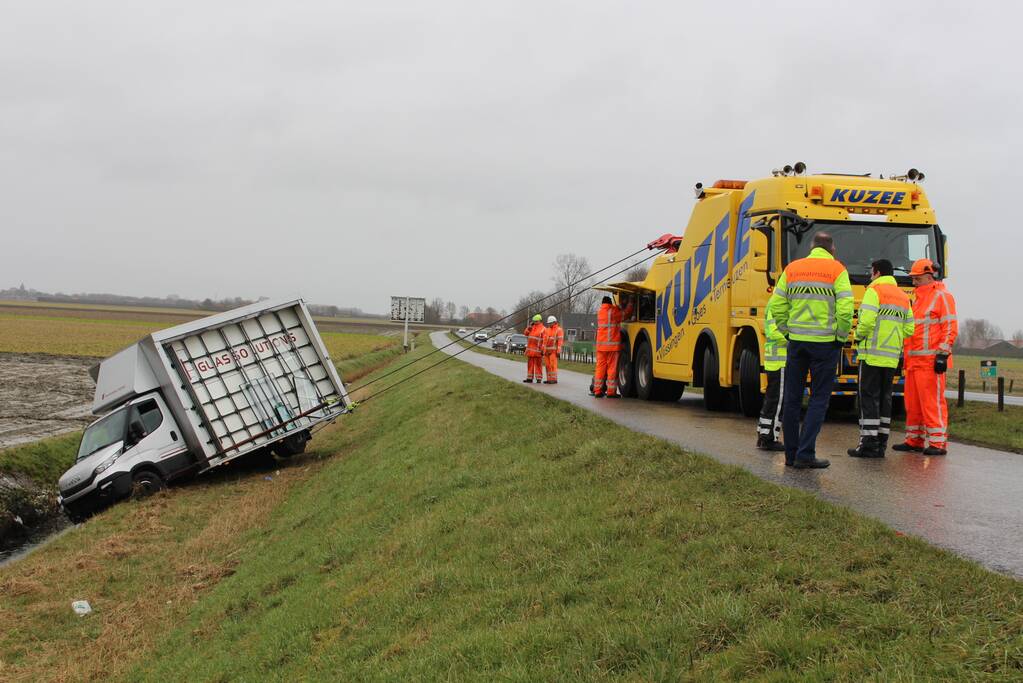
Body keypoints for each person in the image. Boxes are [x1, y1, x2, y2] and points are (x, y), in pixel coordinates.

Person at [767, 232, 853, 468]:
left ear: (812, 247)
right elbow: (845, 310)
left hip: (796, 342)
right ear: (832, 249)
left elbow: (777, 305)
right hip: (825, 344)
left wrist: (787, 331)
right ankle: (806, 454)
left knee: (792, 399)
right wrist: (840, 336)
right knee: (818, 400)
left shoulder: (793, 268)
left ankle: (791, 455)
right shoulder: (837, 271)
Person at [848, 259, 915, 458]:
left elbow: (867, 322)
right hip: (892, 357)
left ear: (876, 272)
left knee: (868, 398)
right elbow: (910, 328)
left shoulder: (873, 291)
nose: (870, 276)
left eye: (871, 272)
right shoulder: (903, 296)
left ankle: (867, 444)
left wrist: (857, 336)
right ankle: (881, 445)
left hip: (871, 355)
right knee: (885, 399)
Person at [893, 258, 958, 455]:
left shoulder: (942, 297)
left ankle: (938, 443)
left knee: (932, 404)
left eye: (917, 278)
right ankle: (914, 440)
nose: (914, 282)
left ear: (929, 276)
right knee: (913, 405)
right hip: (914, 363)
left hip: (930, 363)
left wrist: (942, 355)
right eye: (913, 278)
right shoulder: (919, 299)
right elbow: (913, 332)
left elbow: (950, 328)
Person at [756, 308, 787, 451]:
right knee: (777, 402)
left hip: (774, 361)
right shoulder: (777, 307)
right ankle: (769, 438)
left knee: (771, 400)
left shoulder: (772, 305)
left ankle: (763, 434)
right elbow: (773, 332)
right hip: (779, 362)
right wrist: (791, 341)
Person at [591, 294, 633, 398]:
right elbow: (625, 315)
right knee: (612, 369)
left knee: (600, 368)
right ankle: (611, 392)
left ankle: (597, 391)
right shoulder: (613, 312)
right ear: (610, 303)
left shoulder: (600, 312)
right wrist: (630, 304)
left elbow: (613, 312)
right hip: (612, 347)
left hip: (601, 346)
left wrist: (618, 306)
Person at [523, 314, 546, 383]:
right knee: (530, 365)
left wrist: (542, 350)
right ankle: (529, 378)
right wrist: (529, 327)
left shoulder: (543, 329)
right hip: (530, 351)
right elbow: (525, 334)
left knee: (538, 365)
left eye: (536, 321)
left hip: (538, 351)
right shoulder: (531, 328)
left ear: (540, 321)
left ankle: (539, 378)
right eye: (534, 321)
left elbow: (544, 341)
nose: (535, 322)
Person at [541, 315, 564, 384]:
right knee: (547, 366)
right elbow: (544, 341)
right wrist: (543, 350)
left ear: (554, 322)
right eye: (548, 323)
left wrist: (558, 351)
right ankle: (549, 379)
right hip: (546, 352)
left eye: (550, 323)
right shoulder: (547, 330)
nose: (549, 324)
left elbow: (560, 341)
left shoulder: (559, 330)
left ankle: (554, 379)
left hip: (553, 351)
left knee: (552, 365)